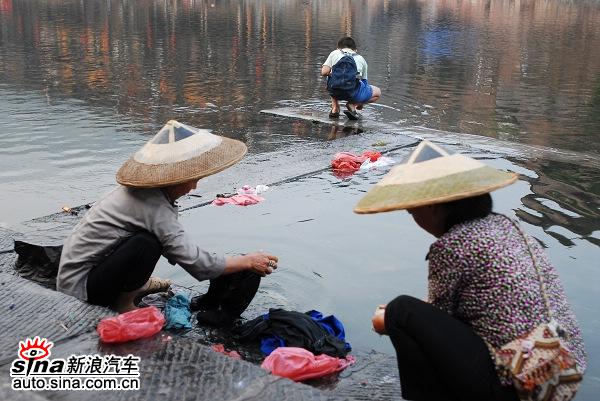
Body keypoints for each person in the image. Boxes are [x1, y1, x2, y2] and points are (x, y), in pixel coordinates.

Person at [355, 141, 586, 401]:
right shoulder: (506, 226)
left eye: (412, 211)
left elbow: (438, 318)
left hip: (517, 383)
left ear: (433, 205)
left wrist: (385, 321)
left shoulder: (452, 246)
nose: (415, 219)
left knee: (400, 311)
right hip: (561, 369)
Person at [57, 120, 278, 312]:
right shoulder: (154, 207)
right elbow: (199, 265)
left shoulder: (144, 195)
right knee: (146, 243)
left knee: (153, 240)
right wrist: (247, 261)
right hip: (80, 291)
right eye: (191, 179)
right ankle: (122, 304)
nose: (194, 186)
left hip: (79, 276)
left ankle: (134, 286)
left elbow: (177, 247)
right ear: (172, 179)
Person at [321, 36, 381, 120]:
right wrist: (361, 103)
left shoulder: (334, 53)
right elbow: (364, 83)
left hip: (334, 91)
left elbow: (324, 72)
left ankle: (335, 108)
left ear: (338, 48)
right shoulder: (361, 59)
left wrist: (335, 75)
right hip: (352, 93)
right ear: (355, 50)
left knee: (331, 76)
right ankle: (353, 104)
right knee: (378, 92)